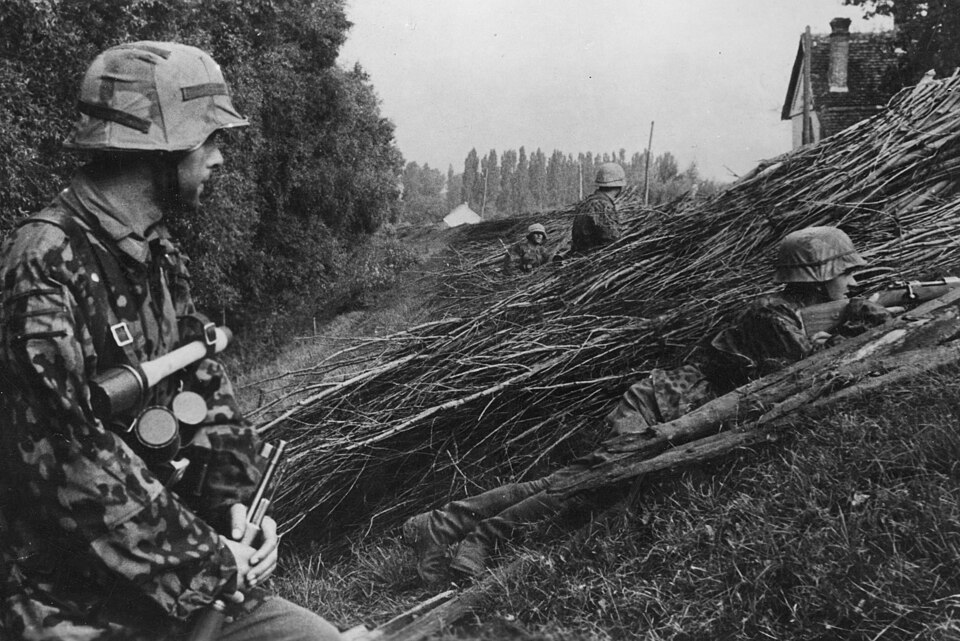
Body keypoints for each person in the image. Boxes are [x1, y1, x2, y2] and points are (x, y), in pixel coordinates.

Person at [0, 42, 342, 640]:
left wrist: (241, 509)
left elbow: (206, 388)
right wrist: (208, 559)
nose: (218, 159)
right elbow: (73, 459)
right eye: (208, 141)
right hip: (63, 605)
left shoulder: (157, 256)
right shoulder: (41, 265)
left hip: (173, 584)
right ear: (157, 148)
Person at [402, 226, 891, 584]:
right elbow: (805, 368)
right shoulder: (772, 315)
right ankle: (475, 536)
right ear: (819, 277)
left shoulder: (788, 313)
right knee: (591, 482)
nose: (851, 283)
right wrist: (857, 322)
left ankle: (446, 524)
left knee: (578, 480)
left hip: (672, 411)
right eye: (846, 274)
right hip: (656, 406)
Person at [570, 162, 626, 255]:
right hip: (594, 262)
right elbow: (612, 242)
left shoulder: (586, 203)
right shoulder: (602, 206)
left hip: (581, 258)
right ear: (619, 187)